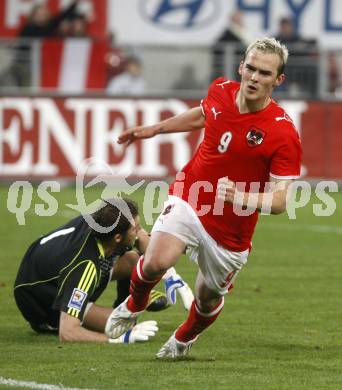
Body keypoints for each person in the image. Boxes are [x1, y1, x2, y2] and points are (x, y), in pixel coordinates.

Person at [108, 37, 302, 358]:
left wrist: (243, 197)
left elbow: (281, 201)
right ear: (241, 66)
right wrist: (154, 129)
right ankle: (134, 303)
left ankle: (183, 339)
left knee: (207, 297)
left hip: (231, 228)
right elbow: (202, 115)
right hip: (192, 192)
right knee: (157, 260)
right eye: (250, 68)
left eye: (264, 73)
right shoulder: (221, 90)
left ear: (277, 80)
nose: (254, 77)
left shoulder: (283, 133)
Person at [14, 198, 193, 343]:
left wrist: (171, 277)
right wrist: (119, 339)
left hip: (46, 265)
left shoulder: (104, 222)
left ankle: (134, 300)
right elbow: (68, 333)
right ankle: (128, 311)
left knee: (135, 261)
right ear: (117, 237)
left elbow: (143, 241)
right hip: (39, 298)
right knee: (116, 325)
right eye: (135, 229)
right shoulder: (85, 267)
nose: (140, 232)